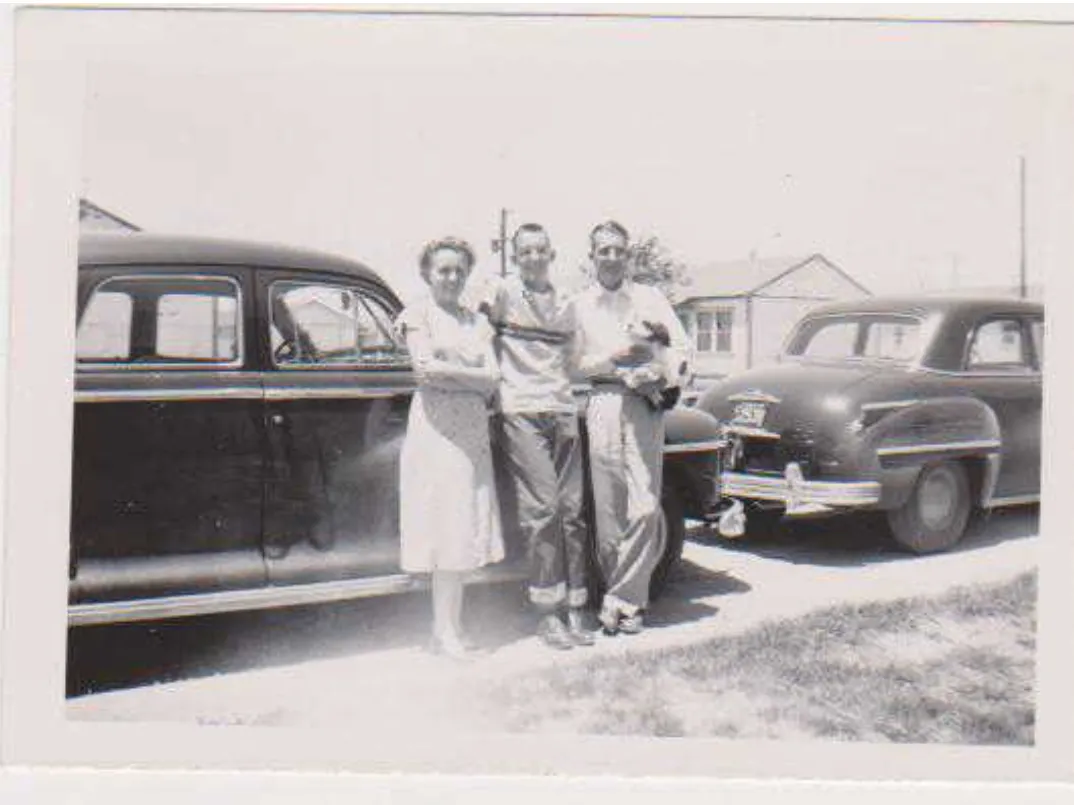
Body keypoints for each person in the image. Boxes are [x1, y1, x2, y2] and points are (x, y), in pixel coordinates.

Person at [573, 220, 691, 636]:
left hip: (644, 404)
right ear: (592, 257)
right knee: (608, 513)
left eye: (618, 250)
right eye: (603, 250)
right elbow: (574, 363)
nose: (611, 257)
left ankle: (619, 600)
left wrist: (661, 374)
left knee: (644, 506)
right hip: (603, 400)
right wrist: (616, 359)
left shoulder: (650, 297)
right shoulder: (580, 305)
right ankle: (625, 602)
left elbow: (679, 348)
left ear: (629, 255)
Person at [480, 223, 593, 651]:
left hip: (562, 408)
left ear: (552, 254)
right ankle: (547, 612)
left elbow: (574, 356)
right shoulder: (501, 293)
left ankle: (578, 607)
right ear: (515, 256)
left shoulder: (568, 302)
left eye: (539, 250)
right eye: (524, 252)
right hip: (521, 410)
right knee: (543, 509)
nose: (533, 258)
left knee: (573, 511)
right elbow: (475, 330)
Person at [396, 237, 504, 659]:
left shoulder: (476, 321)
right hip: (436, 432)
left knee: (462, 528)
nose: (452, 277)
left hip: (471, 434)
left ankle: (450, 627)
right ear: (427, 272)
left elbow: (494, 376)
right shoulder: (417, 314)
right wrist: (470, 373)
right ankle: (444, 631)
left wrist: (452, 369)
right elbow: (424, 370)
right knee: (444, 528)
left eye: (459, 270)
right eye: (444, 269)